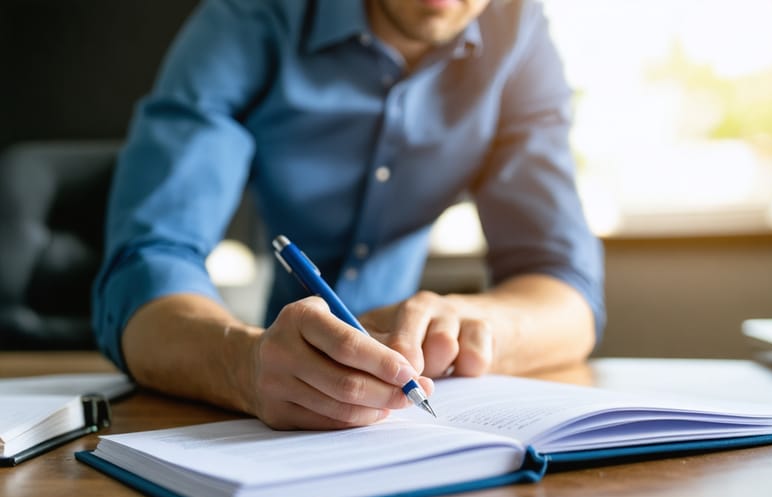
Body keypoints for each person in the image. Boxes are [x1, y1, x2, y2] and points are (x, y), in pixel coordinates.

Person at [92, 0, 604, 430]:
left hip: (408, 394)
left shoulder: (518, 30)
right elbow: (147, 263)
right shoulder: (252, 16)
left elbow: (565, 286)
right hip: (262, 388)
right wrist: (241, 366)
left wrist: (474, 329)